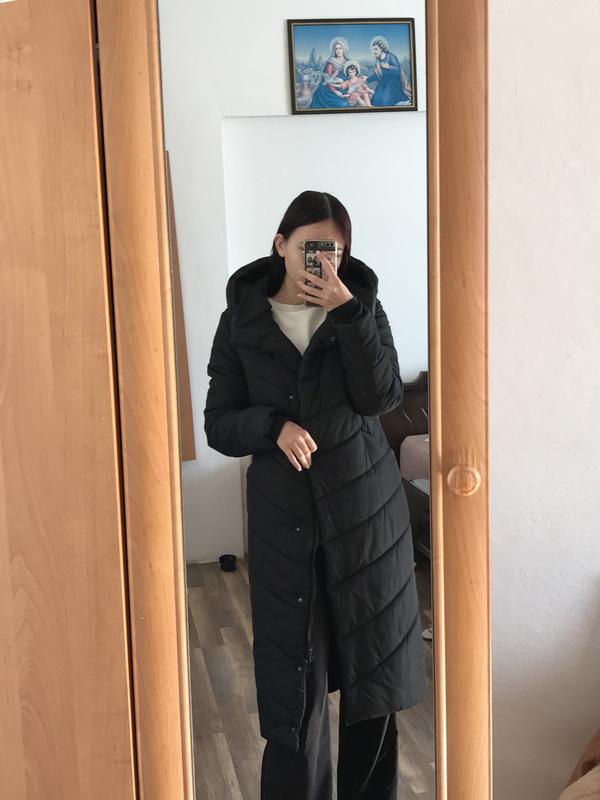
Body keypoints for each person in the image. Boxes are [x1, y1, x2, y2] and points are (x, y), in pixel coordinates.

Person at [204, 190, 427, 798]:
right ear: (281, 245)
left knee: (372, 686)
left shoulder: (361, 308)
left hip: (366, 515)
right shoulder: (242, 320)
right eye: (311, 247)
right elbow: (219, 422)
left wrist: (348, 313)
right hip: (286, 520)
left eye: (334, 250)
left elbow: (381, 397)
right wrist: (273, 426)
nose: (323, 261)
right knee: (293, 689)